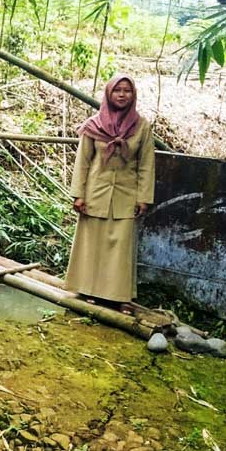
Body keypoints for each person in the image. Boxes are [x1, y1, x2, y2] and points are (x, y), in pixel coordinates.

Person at [64, 74, 155, 306]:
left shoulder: (142, 127)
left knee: (120, 247)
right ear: (108, 94)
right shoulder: (94, 124)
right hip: (96, 192)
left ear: (133, 95)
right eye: (117, 90)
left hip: (127, 194)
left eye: (127, 91)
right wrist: (78, 194)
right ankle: (87, 290)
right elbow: (83, 161)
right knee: (91, 243)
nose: (122, 95)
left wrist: (143, 197)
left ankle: (119, 297)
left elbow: (146, 164)